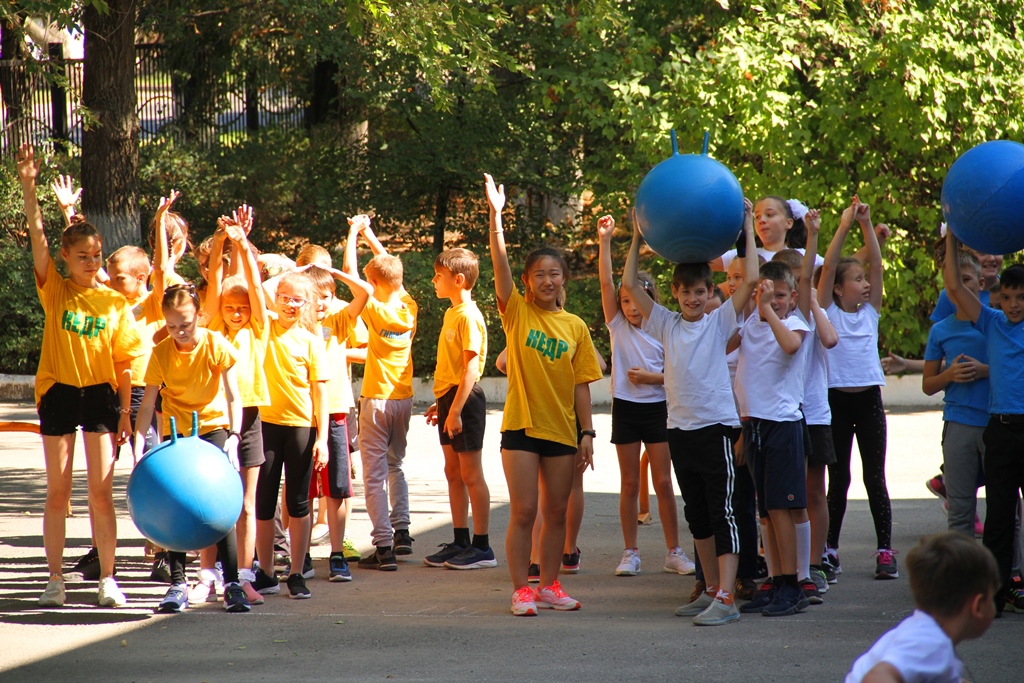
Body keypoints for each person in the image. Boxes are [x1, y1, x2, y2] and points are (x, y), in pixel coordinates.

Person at [19, 144, 142, 609]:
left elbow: (125, 362)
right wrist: (29, 185)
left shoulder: (115, 303)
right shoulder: (55, 290)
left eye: (97, 255)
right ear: (67, 257)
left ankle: (108, 579)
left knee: (101, 493)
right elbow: (38, 239)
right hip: (59, 392)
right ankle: (55, 579)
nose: (92, 262)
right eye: (83, 255)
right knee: (58, 491)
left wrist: (126, 413)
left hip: (100, 397)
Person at [626, 197, 758, 626]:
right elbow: (629, 284)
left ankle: (728, 597)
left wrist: (748, 224)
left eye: (700, 292)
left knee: (724, 514)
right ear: (676, 293)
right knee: (697, 515)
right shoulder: (665, 323)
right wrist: (636, 237)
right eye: (685, 292)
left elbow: (751, 277)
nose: (692, 298)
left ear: (711, 293)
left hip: (716, 429)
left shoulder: (719, 322)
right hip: (680, 430)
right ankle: (709, 590)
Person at [485, 173, 603, 616]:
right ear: (528, 281)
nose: (548, 280)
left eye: (554, 273)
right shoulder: (516, 313)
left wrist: (587, 433)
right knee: (524, 511)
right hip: (521, 427)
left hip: (562, 432)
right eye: (540, 275)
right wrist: (496, 218)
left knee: (556, 513)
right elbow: (499, 267)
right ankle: (522, 590)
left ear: (564, 278)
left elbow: (581, 385)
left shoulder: (575, 327)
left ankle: (550, 585)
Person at [133, 280, 249, 613]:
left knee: (220, 505)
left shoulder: (215, 344)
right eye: (171, 326)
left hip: (213, 430)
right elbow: (147, 404)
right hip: (176, 433)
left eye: (185, 324)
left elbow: (233, 396)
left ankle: (232, 584)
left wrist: (234, 436)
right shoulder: (161, 352)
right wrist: (140, 443)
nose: (179, 331)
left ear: (199, 315)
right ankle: (177, 584)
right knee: (175, 504)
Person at [595, 215, 693, 578]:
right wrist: (606, 240)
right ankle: (630, 552)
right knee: (629, 483)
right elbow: (607, 281)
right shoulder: (617, 325)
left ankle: (674, 551)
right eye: (625, 302)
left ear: (651, 300)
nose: (632, 308)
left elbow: (678, 376)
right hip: (626, 409)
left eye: (638, 301)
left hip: (659, 410)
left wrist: (653, 378)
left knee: (664, 482)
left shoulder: (663, 327)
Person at [943, 228, 1024, 613]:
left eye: (1021, 297)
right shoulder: (991, 322)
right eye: (1006, 297)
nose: (1013, 305)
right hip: (1002, 430)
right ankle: (997, 590)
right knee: (999, 515)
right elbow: (954, 287)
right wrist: (953, 238)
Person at [817, 196, 897, 580]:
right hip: (834, 403)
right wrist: (844, 224)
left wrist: (867, 224)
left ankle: (885, 550)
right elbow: (828, 266)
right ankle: (830, 549)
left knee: (874, 478)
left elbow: (878, 265)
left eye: (866, 280)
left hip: (869, 403)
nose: (866, 284)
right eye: (858, 280)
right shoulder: (826, 311)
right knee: (839, 480)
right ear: (837, 289)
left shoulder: (871, 313)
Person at [733, 258, 812, 616]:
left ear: (793, 297)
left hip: (782, 425)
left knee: (781, 508)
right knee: (765, 511)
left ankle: (793, 585)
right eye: (768, 294)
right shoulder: (752, 321)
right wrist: (752, 305)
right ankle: (777, 580)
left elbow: (791, 346)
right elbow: (723, 344)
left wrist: (766, 309)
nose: (774, 300)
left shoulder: (794, 323)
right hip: (755, 426)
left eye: (781, 295)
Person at [204, 211, 272, 604]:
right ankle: (207, 573)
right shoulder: (214, 329)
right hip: (217, 417)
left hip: (249, 418)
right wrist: (221, 244)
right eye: (230, 307)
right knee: (212, 499)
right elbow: (215, 283)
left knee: (247, 503)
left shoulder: (257, 329)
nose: (236, 312)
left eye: (241, 308)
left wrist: (243, 244)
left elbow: (256, 290)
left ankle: (244, 575)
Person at [344, 215, 419, 570]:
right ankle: (402, 531)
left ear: (373, 284)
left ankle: (384, 547)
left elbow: (350, 272)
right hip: (404, 399)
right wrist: (369, 234)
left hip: (376, 399)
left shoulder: (373, 307)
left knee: (374, 474)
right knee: (396, 465)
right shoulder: (408, 307)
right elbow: (390, 269)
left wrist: (352, 234)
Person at [250, 271, 331, 599]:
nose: (290, 305)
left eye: (298, 300)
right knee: (263, 501)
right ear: (276, 298)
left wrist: (322, 438)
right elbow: (257, 288)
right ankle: (267, 572)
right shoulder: (264, 327)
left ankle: (297, 572)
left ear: (308, 304)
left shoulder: (312, 342)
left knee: (298, 503)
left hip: (301, 428)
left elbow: (320, 393)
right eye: (285, 298)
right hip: (265, 425)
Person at [423, 247, 496, 570]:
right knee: (452, 472)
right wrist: (442, 403)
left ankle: (482, 546)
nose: (434, 281)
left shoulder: (468, 316)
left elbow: (470, 370)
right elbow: (453, 369)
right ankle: (461, 540)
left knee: (470, 474)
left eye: (438, 276)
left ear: (459, 279)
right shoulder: (451, 313)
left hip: (465, 401)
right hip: (450, 398)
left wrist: (455, 410)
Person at [845, 532, 998, 683]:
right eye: (992, 598)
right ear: (977, 605)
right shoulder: (931, 643)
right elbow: (875, 678)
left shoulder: (926, 635)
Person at [304, 262, 370, 581]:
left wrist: (337, 275)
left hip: (335, 411)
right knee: (302, 489)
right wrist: (297, 272)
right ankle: (301, 555)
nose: (320, 303)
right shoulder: (290, 322)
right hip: (301, 413)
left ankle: (337, 554)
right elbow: (263, 293)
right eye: (313, 296)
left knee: (337, 488)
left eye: (326, 296)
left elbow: (366, 292)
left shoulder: (339, 320)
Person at [923, 250, 990, 541]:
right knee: (960, 509)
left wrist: (984, 370)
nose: (957, 288)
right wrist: (948, 375)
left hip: (997, 423)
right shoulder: (940, 330)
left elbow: (1014, 368)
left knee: (1005, 507)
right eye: (951, 282)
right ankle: (961, 568)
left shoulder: (998, 322)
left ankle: (1009, 567)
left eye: (965, 280)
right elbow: (928, 384)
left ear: (981, 284)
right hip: (958, 423)